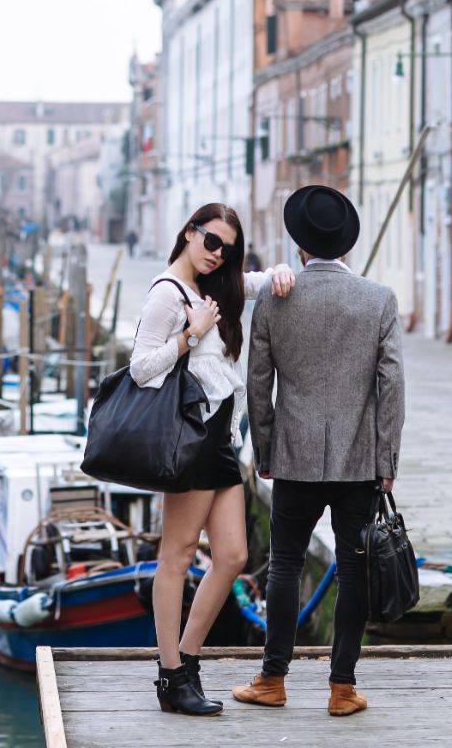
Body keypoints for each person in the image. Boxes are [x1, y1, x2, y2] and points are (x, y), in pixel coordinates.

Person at [233, 184, 404, 718]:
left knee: (284, 564)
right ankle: (342, 689)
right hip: (359, 461)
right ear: (346, 246)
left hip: (293, 456)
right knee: (353, 570)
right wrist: (386, 461)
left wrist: (264, 450)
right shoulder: (379, 300)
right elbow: (392, 388)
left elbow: (258, 384)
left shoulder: (274, 300)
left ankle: (272, 679)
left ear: (299, 245)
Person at [130, 203, 295, 716]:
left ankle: (187, 660)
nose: (217, 253)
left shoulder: (217, 287)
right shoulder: (167, 293)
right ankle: (171, 674)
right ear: (189, 233)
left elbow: (260, 282)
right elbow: (140, 368)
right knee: (177, 556)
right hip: (189, 441)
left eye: (228, 248)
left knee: (232, 556)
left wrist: (282, 270)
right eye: (211, 241)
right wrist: (192, 332)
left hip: (220, 439)